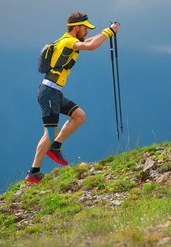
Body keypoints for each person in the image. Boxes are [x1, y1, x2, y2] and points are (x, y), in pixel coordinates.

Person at [25, 12, 119, 184]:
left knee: (79, 116)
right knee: (49, 133)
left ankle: (55, 147)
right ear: (77, 28)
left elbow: (89, 42)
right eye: (85, 29)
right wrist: (108, 33)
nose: (87, 32)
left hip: (54, 92)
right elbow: (91, 46)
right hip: (49, 92)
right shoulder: (68, 41)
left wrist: (107, 31)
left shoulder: (68, 41)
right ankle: (34, 172)